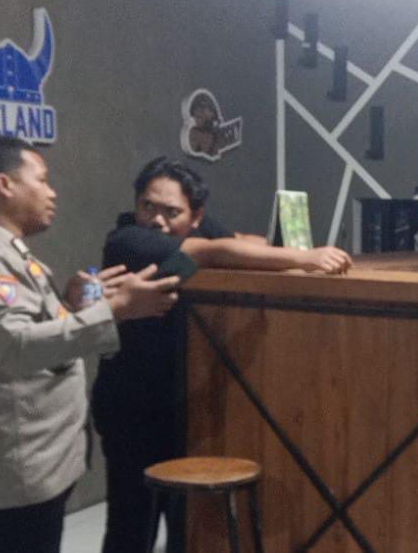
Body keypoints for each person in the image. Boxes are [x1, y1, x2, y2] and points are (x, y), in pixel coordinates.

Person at [0, 136, 181, 553]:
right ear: (5, 184)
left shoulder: (6, 251)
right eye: (42, 179)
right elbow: (16, 347)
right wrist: (114, 309)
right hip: (10, 477)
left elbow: (20, 332)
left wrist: (70, 305)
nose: (52, 192)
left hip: (31, 468)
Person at [92, 157, 351, 553]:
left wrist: (260, 248)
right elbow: (216, 251)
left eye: (171, 212)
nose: (156, 220)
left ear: (195, 215)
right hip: (130, 407)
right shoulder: (126, 240)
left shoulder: (196, 229)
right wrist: (304, 257)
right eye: (148, 206)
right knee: (131, 527)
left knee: (185, 525)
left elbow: (247, 242)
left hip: (180, 403)